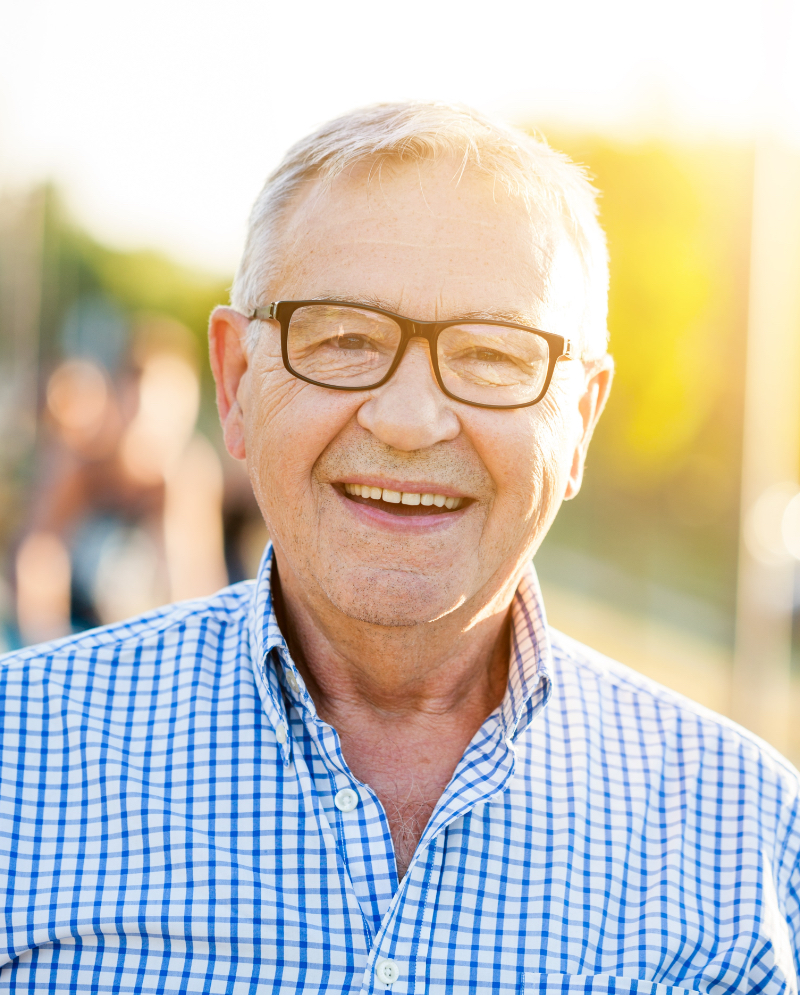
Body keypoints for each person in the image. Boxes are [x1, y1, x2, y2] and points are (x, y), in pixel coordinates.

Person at [0, 103, 798, 994]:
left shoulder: (752, 841)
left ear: (578, 421)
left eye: (495, 355)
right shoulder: (18, 754)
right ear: (234, 383)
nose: (411, 420)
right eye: (342, 337)